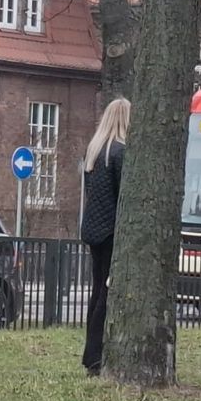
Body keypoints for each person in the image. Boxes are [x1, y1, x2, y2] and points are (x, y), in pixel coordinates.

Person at [79, 97, 130, 376]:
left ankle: (91, 353)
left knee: (97, 289)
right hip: (111, 231)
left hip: (93, 230)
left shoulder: (94, 153)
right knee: (106, 294)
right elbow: (123, 196)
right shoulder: (120, 154)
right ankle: (95, 355)